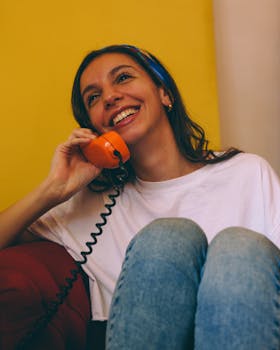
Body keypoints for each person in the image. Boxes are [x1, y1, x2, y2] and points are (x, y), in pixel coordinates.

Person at [0, 44, 280, 350]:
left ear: (164, 94)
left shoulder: (247, 173)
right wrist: (53, 188)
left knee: (240, 246)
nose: (109, 97)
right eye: (93, 97)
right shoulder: (90, 205)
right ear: (93, 129)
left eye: (122, 78)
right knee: (169, 237)